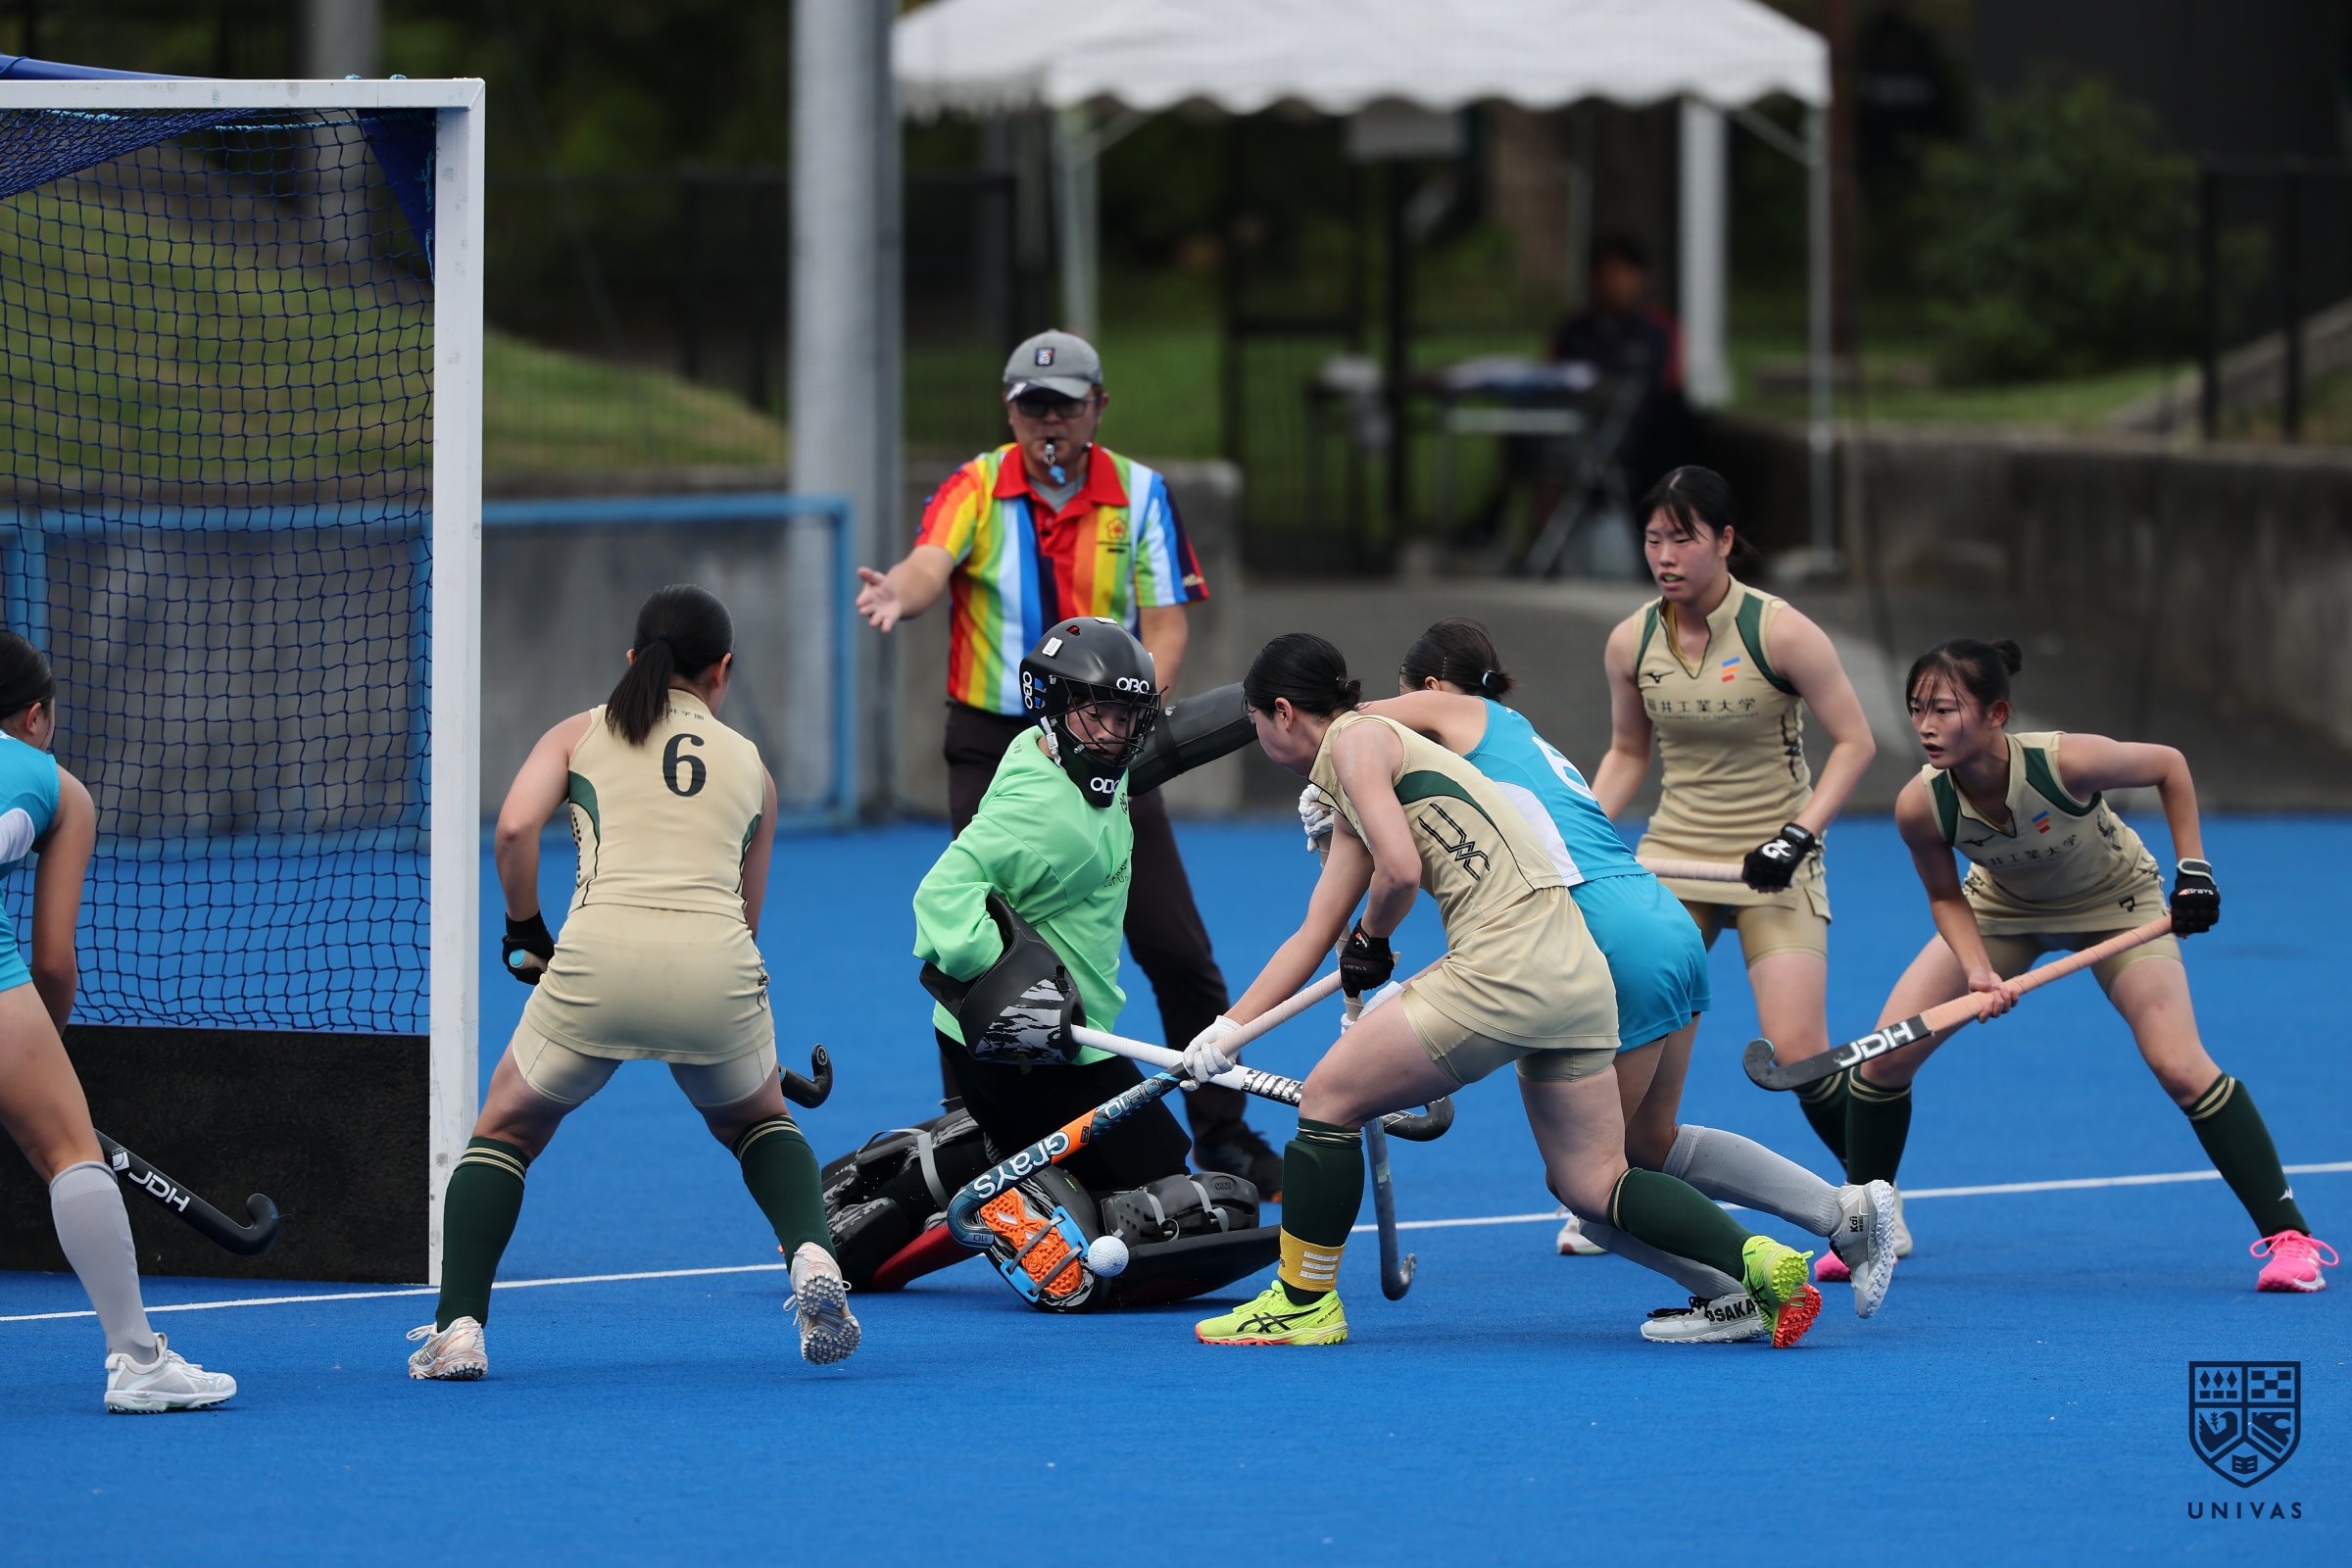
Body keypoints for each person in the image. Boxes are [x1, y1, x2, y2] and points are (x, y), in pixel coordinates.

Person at [1186, 634, 1823, 1348]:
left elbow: (1398, 873)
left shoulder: (1354, 741)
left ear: (1281, 711)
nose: (1259, 738)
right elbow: (1312, 933)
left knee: (1328, 1100)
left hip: (1504, 964)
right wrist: (1230, 1029)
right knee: (1593, 1183)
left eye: (1256, 723)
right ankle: (1757, 1259)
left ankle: (1303, 1303)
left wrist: (1373, 939)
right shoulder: (1372, 760)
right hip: (1577, 969)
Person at [1352, 618, 1898, 1341]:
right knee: (1651, 1144)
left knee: (1587, 1186)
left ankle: (1735, 1291)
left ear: (1427, 688)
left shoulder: (1454, 714)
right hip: (1658, 919)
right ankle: (1842, 1210)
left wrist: (1323, 757)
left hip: (1605, 939)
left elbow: (1349, 725)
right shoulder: (1517, 738)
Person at [855, 330, 1275, 1194]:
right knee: (983, 942)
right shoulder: (975, 485)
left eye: (1065, 404)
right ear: (1010, 411)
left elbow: (1166, 623)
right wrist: (902, 590)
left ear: (1098, 408)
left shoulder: (1141, 493)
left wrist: (1131, 715)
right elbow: (930, 564)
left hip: (1109, 742)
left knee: (1177, 949)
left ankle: (1223, 1133)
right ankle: (980, 1148)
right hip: (994, 744)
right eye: (1032, 405)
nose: (1048, 420)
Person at [407, 586, 858, 1379]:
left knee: (506, 1131)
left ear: (631, 660)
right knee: (758, 1121)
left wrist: (524, 930)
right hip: (717, 972)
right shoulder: (752, 766)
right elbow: (745, 919)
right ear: (723, 670)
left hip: (596, 963)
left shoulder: (579, 733)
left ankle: (459, 1331)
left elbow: (513, 829)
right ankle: (813, 1255)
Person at [1834, 637, 2332, 1293]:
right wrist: (1978, 969)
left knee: (2179, 1066)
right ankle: (1869, 1230)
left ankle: (2292, 1239)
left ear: (1996, 713)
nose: (1925, 725)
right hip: (2002, 911)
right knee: (1883, 1061)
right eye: (1917, 709)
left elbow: (2170, 766)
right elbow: (1946, 896)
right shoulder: (1920, 804)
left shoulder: (2064, 763)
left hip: (2118, 906)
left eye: (1945, 709)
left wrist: (2194, 870)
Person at [892, 616, 1275, 1311]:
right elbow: (939, 896)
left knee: (1162, 1174)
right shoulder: (1046, 818)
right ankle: (1003, 1180)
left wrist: (1275, 701)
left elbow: (1176, 742)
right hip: (1034, 1051)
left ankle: (991, 1155)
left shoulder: (1060, 757)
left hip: (1064, 1046)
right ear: (1055, 708)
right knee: (1181, 1196)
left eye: (1130, 718)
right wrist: (1015, 997)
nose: (1117, 735)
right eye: (1100, 714)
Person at [1593, 466, 1886, 1246]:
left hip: (1776, 862)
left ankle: (1870, 1199)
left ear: (1725, 540)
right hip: (1674, 861)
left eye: (1683, 538)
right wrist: (1576, 829)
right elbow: (1628, 753)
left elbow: (1856, 743)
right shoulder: (1631, 641)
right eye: (1653, 538)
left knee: (1798, 1051)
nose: (1665, 555)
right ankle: (1604, 1189)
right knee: (1630, 1028)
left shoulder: (1780, 632)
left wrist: (1799, 835)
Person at [0, 633, 237, 1412]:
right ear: (35, 716)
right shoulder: (58, 788)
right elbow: (54, 964)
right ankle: (137, 1363)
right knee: (69, 1149)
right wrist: (39, 1056)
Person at [1546, 233, 1696, 502]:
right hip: (1580, 429)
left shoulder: (1659, 331)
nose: (1612, 283)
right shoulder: (1574, 332)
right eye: (1604, 273)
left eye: (1621, 273)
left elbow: (1670, 387)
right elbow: (1552, 381)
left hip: (1641, 434)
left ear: (1640, 278)